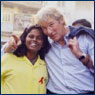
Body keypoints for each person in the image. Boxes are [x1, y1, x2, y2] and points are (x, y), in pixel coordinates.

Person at [2, 7, 94, 94]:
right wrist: (7, 47)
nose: (49, 31)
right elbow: (26, 44)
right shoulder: (45, 42)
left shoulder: (84, 38)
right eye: (44, 28)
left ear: (61, 20)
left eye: (51, 24)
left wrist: (81, 55)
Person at [1, 25, 51, 94]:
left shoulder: (45, 65)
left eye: (39, 38)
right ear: (24, 40)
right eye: (31, 36)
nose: (34, 39)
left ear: (43, 44)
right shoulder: (8, 58)